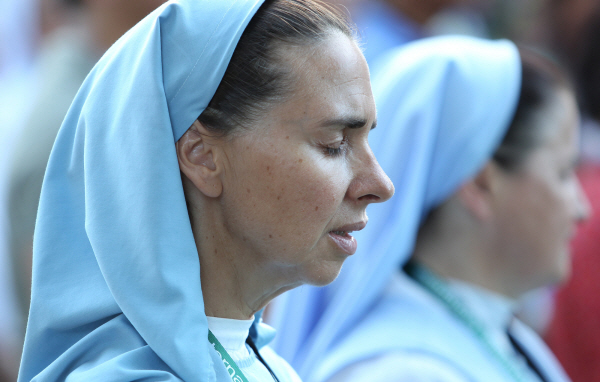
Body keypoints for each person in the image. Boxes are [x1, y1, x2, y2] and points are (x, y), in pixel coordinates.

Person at [17, 0, 394, 381]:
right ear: (202, 156)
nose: (381, 185)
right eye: (334, 143)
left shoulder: (268, 366)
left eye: (367, 140)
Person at [271, 36, 589, 381]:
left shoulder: (500, 336)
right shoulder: (400, 371)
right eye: (563, 172)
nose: (582, 208)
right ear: (481, 184)